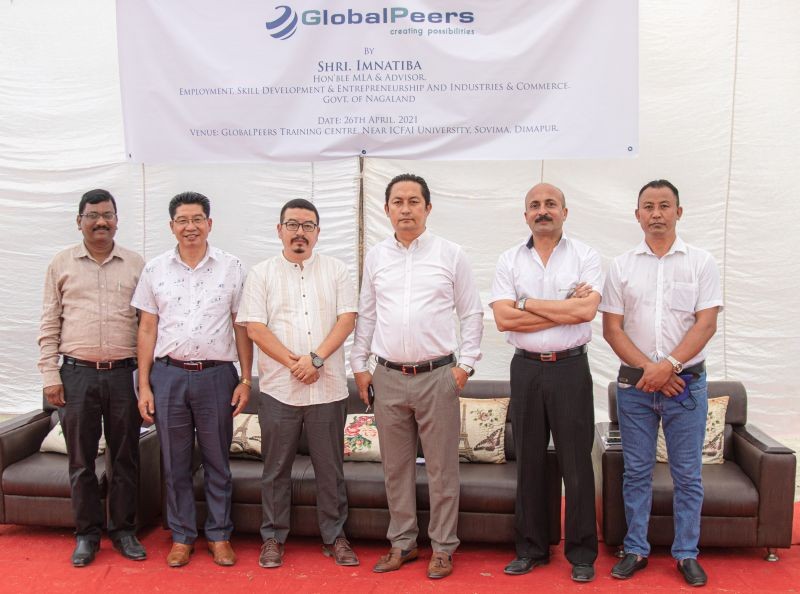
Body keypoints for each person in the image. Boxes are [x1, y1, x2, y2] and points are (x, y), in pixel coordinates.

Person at [350, 173, 483, 580]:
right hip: (387, 376)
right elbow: (367, 314)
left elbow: (472, 312)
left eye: (413, 201)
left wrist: (465, 367)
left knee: (442, 468)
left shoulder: (450, 254)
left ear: (428, 207)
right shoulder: (376, 257)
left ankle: (442, 547)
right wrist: (359, 365)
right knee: (396, 468)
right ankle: (402, 543)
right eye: (397, 202)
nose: (405, 209)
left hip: (438, 375)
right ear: (387, 209)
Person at [600, 179, 722, 587]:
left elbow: (706, 324)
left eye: (664, 206)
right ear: (637, 215)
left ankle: (687, 553)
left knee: (688, 474)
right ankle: (636, 548)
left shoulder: (701, 262)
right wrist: (651, 372)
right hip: (636, 389)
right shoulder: (620, 266)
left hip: (687, 386)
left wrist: (668, 365)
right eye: (648, 207)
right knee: (636, 472)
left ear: (678, 212)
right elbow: (612, 329)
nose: (656, 213)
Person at [132, 191, 253, 568]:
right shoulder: (154, 270)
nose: (190, 227)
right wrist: (145, 385)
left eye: (197, 219)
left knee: (218, 460)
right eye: (182, 221)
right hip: (168, 376)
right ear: (171, 226)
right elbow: (147, 328)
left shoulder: (231, 267)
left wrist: (246, 379)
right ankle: (182, 535)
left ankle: (219, 535)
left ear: (209, 224)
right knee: (176, 461)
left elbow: (241, 327)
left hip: (217, 377)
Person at [236, 198, 359, 569]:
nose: (299, 232)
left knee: (330, 469)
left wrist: (316, 359)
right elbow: (254, 327)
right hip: (279, 389)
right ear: (279, 230)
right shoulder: (261, 274)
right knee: (275, 469)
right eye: (292, 225)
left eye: (307, 225)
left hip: (328, 387)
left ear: (318, 232)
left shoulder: (337, 270)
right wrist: (296, 363)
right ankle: (272, 537)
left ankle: (335, 536)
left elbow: (347, 319)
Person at [489, 182, 601, 582]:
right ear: (525, 216)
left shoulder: (585, 255)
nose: (543, 210)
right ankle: (531, 549)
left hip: (570, 369)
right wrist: (563, 308)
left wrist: (526, 303)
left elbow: (586, 311)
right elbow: (503, 319)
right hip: (526, 369)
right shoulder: (508, 260)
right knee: (530, 461)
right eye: (534, 205)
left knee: (576, 462)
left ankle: (583, 554)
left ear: (565, 212)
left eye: (550, 204)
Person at [38, 189, 146, 567]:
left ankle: (124, 530)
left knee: (125, 458)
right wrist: (50, 373)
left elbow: (147, 327)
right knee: (81, 462)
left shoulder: (136, 264)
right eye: (93, 215)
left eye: (108, 215)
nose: (101, 222)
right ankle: (86, 535)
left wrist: (146, 380)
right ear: (79, 220)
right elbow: (49, 322)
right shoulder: (61, 263)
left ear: (117, 219)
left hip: (123, 375)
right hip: (76, 375)